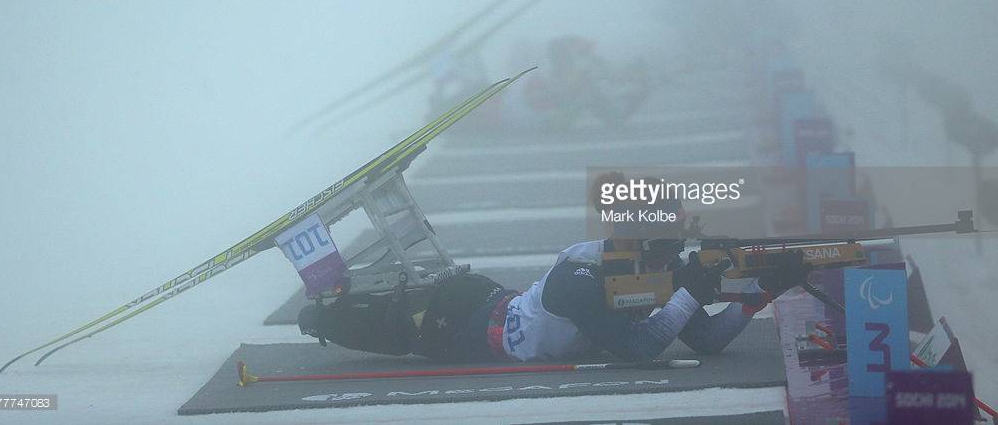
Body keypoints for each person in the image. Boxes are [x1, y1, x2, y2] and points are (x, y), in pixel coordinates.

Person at [298, 173, 807, 363]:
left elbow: (708, 340)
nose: (671, 261)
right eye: (664, 251)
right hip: (457, 325)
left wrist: (760, 294)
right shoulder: (579, 275)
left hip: (495, 300)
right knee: (364, 319)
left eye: (674, 252)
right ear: (634, 242)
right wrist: (690, 291)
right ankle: (321, 295)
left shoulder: (651, 270)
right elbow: (638, 349)